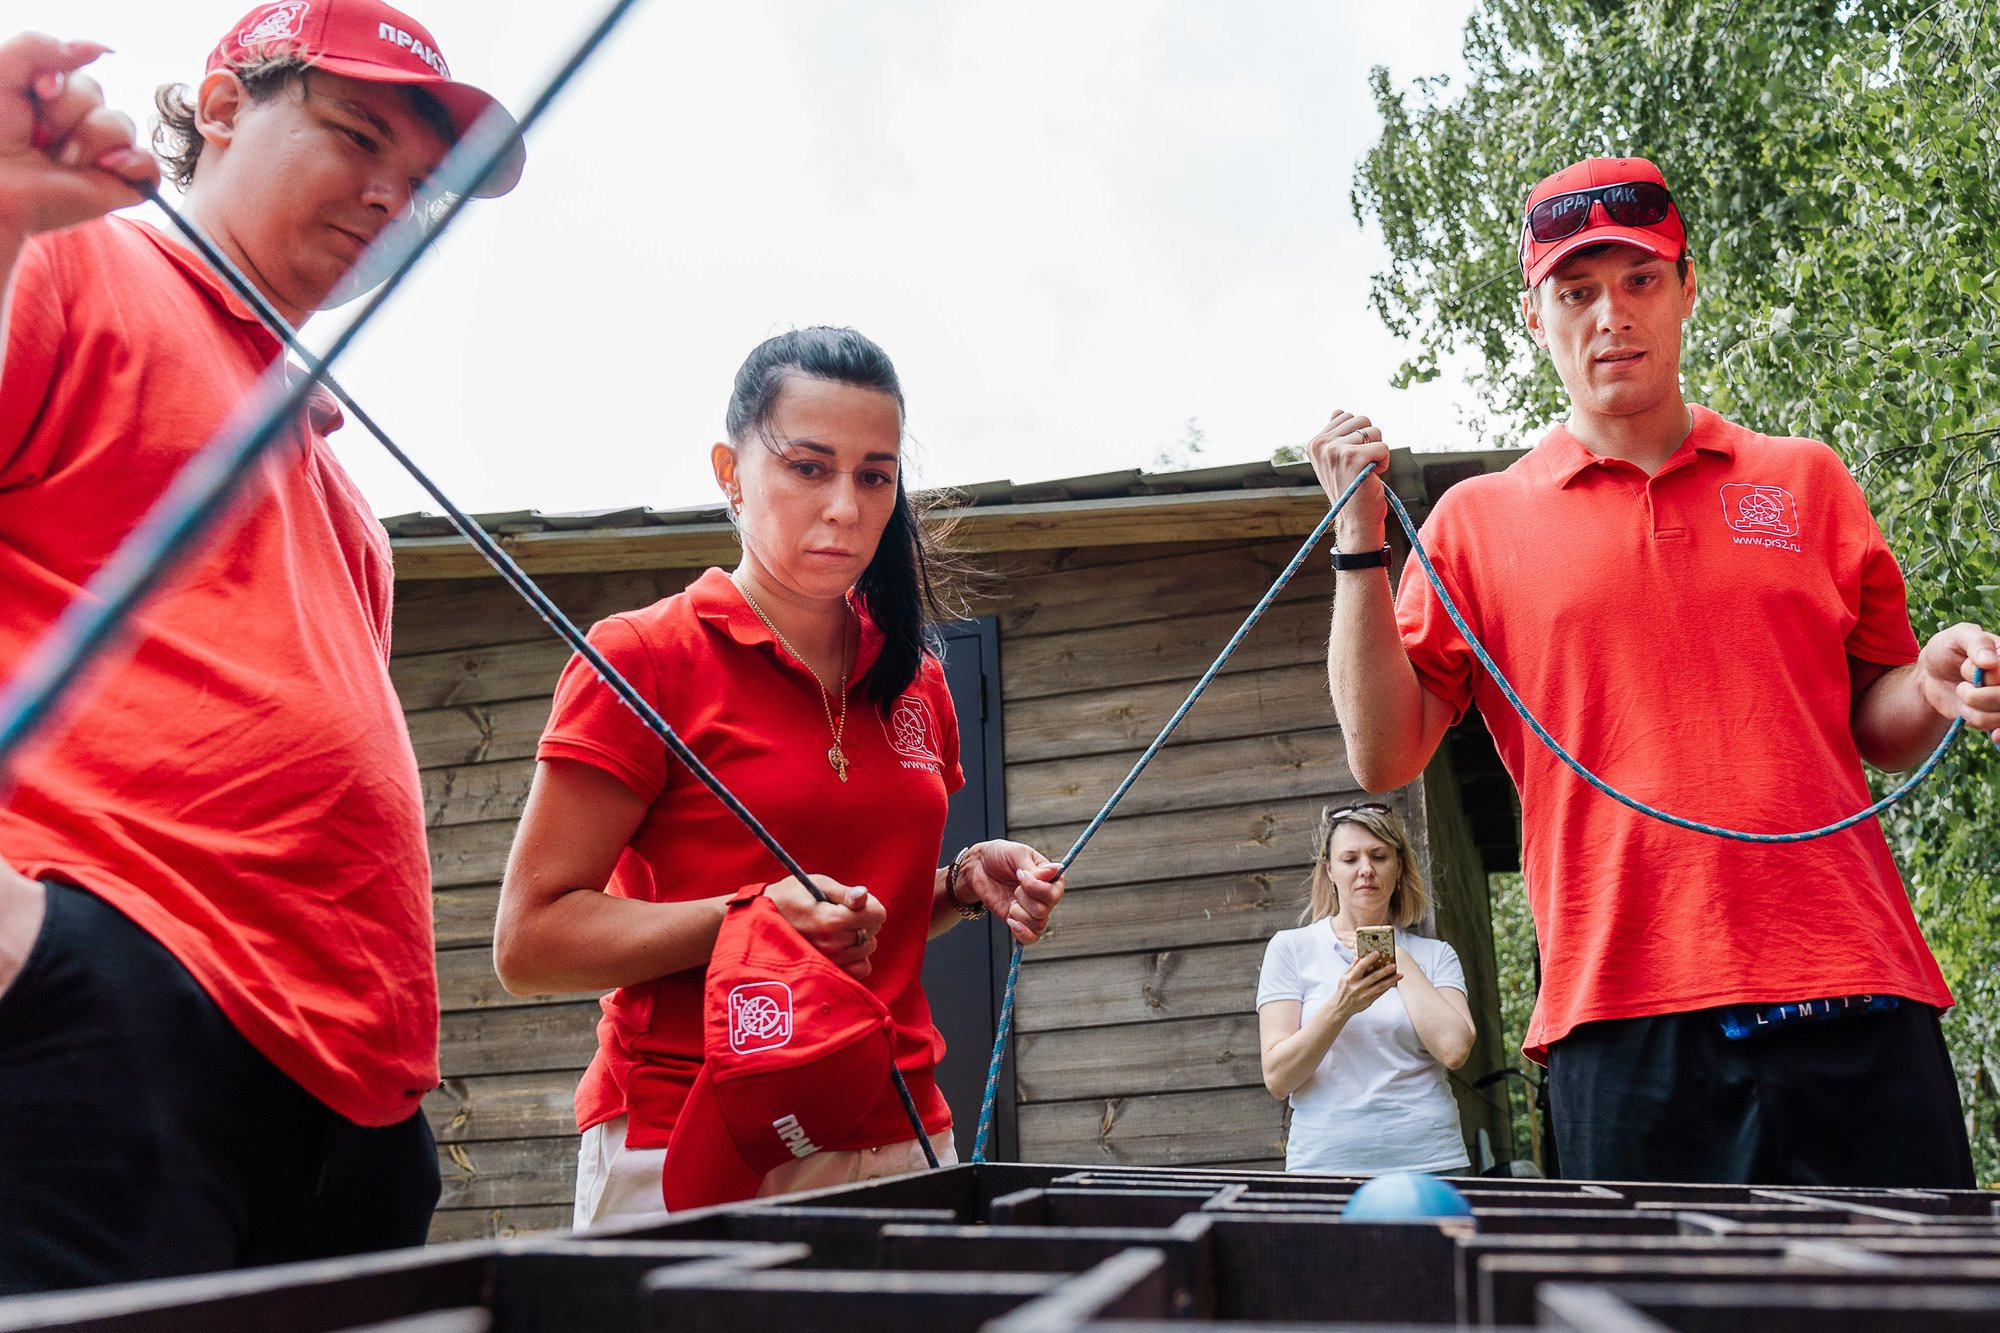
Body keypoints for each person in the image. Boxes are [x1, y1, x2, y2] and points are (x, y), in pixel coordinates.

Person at [1304, 155, 2000, 1187]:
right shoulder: (1472, 527)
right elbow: (1381, 748)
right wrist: (1359, 544)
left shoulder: (1802, 478)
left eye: (1638, 281)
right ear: (1530, 318)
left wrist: (1935, 685)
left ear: (1684, 290)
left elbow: (1876, 714)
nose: (1609, 317)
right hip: (1620, 1015)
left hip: (1853, 985)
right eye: (1574, 292)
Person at [0, 3, 521, 1294]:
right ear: (224, 107)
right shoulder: (70, 263)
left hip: (351, 1098)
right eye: (356, 136)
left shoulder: (341, 482)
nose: (392, 195)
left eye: (426, 186)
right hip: (114, 1003)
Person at [492, 326, 1067, 1228]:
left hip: (900, 1127)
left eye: (875, 475)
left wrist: (957, 884)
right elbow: (529, 940)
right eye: (808, 466)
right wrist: (745, 919)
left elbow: (857, 917)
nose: (845, 505)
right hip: (690, 1135)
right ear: (729, 470)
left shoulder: (916, 675)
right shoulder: (642, 657)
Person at [1257, 803, 1474, 1176]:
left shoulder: (1435, 956)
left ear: (1399, 865)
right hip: (1325, 1165)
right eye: (1350, 858)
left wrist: (1399, 960)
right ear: (1329, 870)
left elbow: (1454, 1050)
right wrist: (1342, 1006)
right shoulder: (1291, 948)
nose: (1366, 870)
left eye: (1379, 856)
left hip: (1431, 1161)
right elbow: (1278, 1077)